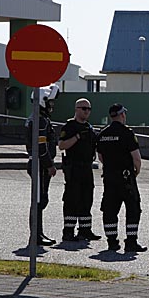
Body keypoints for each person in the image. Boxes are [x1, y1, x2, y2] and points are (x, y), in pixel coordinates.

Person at [96, 104, 147, 252]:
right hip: (125, 178)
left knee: (110, 210)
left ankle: (112, 242)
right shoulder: (127, 133)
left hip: (109, 177)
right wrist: (135, 171)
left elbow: (100, 157)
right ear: (122, 115)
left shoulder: (103, 134)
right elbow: (136, 158)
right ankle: (131, 242)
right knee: (133, 208)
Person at [58, 98, 101, 241]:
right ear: (76, 109)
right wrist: (76, 137)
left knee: (86, 199)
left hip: (87, 168)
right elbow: (62, 145)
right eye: (84, 108)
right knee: (71, 199)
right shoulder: (69, 127)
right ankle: (68, 232)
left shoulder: (90, 128)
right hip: (73, 168)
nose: (87, 112)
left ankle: (85, 230)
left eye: (89, 109)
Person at [24, 84, 60, 247]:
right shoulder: (41, 121)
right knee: (39, 201)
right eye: (50, 102)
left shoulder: (37, 119)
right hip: (40, 166)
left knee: (40, 200)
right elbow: (41, 147)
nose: (52, 106)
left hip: (38, 165)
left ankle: (38, 234)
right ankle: (36, 236)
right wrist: (50, 165)